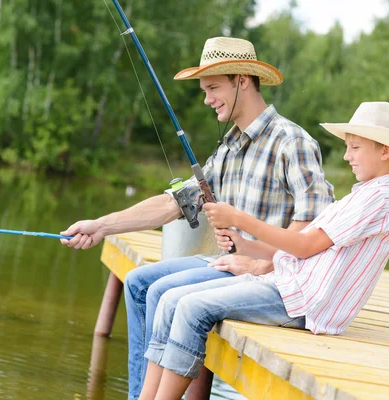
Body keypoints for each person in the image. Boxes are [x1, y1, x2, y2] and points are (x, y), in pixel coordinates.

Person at [60, 36, 334, 400]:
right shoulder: (230, 146)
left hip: (269, 275)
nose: (206, 99)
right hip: (226, 263)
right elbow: (175, 203)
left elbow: (314, 224)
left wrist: (259, 261)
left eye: (212, 88)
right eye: (204, 90)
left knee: (160, 291)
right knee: (139, 282)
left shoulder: (291, 142)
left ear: (241, 80)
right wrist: (101, 225)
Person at [137, 101, 389, 399]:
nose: (346, 156)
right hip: (289, 287)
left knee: (189, 308)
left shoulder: (379, 198)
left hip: (303, 302)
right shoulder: (367, 193)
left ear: (385, 151)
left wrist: (239, 218)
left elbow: (305, 246)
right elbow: (310, 251)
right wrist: (247, 246)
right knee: (171, 299)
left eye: (355, 148)